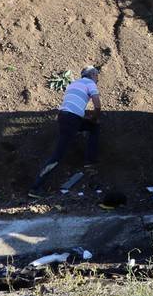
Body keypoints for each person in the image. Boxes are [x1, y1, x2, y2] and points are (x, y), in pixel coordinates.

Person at [28, 66, 101, 199]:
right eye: (97, 75)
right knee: (57, 156)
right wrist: (95, 117)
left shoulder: (74, 83)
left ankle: (89, 161)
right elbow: (97, 105)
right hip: (72, 119)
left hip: (66, 117)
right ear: (93, 74)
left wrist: (90, 120)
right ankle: (35, 188)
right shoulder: (90, 83)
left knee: (93, 128)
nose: (98, 78)